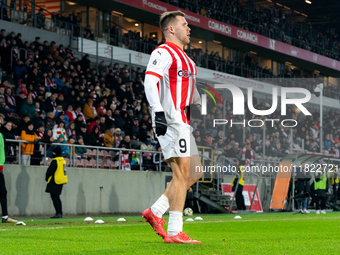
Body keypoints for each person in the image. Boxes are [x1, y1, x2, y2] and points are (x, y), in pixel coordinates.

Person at [142, 11, 202, 244]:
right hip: (171, 119)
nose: (189, 28)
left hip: (184, 122)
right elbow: (150, 80)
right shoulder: (163, 52)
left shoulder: (189, 61)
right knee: (181, 174)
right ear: (170, 29)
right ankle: (175, 231)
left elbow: (192, 93)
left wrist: (196, 102)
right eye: (184, 25)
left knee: (194, 172)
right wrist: (157, 111)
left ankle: (155, 211)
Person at [0, 132, 18, 223]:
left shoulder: (1, 135)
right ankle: (5, 217)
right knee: (2, 192)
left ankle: (5, 216)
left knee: (3, 192)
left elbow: (4, 149)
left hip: (0, 168)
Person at [45, 146, 67, 218]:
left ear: (55, 153)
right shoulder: (63, 160)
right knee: (57, 197)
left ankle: (58, 213)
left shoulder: (55, 160)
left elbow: (49, 171)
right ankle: (60, 213)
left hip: (55, 180)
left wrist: (46, 178)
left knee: (54, 197)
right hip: (61, 180)